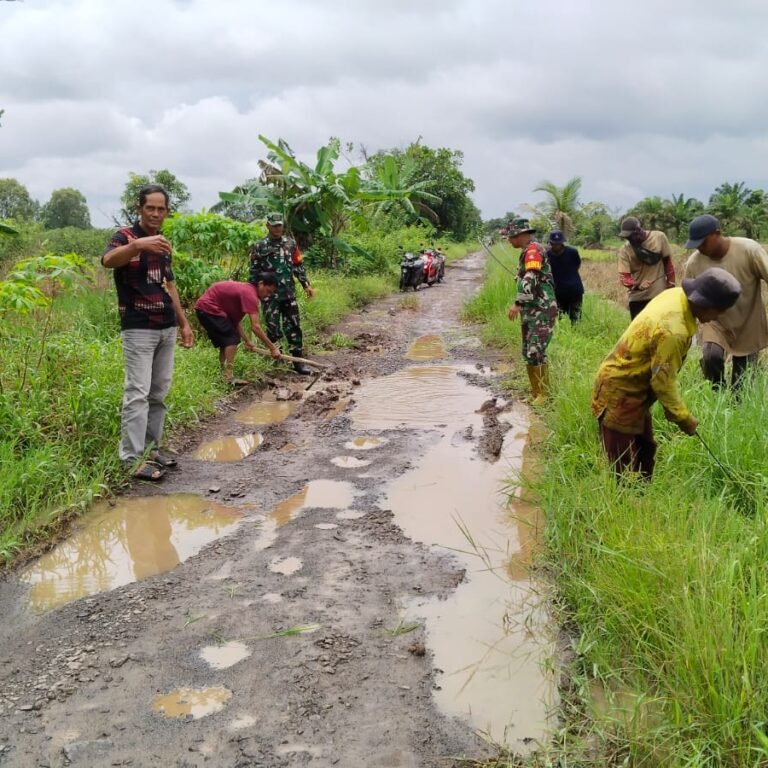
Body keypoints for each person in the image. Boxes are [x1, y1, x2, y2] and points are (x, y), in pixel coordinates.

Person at [591, 268, 741, 479]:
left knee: (645, 451)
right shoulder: (673, 331)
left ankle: (642, 501)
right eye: (719, 311)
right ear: (705, 304)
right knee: (622, 463)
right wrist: (683, 418)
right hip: (620, 390)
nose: (719, 317)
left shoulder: (676, 295)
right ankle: (622, 505)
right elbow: (662, 382)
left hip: (637, 389)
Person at [102, 185, 194, 481]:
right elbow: (108, 261)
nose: (155, 213)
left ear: (167, 211)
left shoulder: (164, 244)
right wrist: (139, 246)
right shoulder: (124, 237)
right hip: (138, 326)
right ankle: (131, 459)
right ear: (139, 208)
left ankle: (152, 450)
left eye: (161, 208)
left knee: (158, 393)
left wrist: (184, 323)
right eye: (150, 208)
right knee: (137, 393)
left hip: (165, 325)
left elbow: (170, 286)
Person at [683, 214, 768, 390]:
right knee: (710, 356)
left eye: (702, 242)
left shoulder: (749, 250)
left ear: (717, 233)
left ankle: (735, 409)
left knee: (743, 383)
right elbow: (688, 298)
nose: (699, 248)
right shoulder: (694, 263)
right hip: (715, 322)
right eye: (695, 244)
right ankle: (717, 394)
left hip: (748, 321)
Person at [249, 212, 314, 375]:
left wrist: (306, 285)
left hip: (288, 293)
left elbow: (298, 265)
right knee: (273, 329)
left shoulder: (290, 244)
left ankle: (297, 363)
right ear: (267, 226)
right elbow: (254, 271)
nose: (277, 228)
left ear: (282, 226)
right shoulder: (260, 246)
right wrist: (252, 293)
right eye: (274, 225)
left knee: (293, 327)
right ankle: (277, 360)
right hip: (269, 296)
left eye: (279, 225)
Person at [195, 272, 282, 385]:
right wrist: (272, 348)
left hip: (205, 309)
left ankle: (223, 374)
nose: (268, 295)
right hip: (209, 308)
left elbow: (235, 322)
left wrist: (247, 341)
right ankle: (228, 376)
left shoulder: (247, 291)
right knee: (232, 339)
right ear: (261, 284)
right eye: (268, 291)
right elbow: (255, 327)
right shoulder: (250, 295)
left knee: (226, 341)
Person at [505, 218, 558, 404]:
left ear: (519, 235)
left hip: (541, 310)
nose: (509, 241)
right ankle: (536, 393)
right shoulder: (527, 251)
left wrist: (518, 303)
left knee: (536, 351)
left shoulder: (533, 251)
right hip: (532, 310)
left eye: (510, 237)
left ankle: (544, 395)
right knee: (528, 351)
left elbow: (531, 277)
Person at [617, 216, 676, 319]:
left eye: (631, 236)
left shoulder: (659, 237)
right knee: (640, 333)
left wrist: (670, 286)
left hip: (659, 296)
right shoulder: (625, 250)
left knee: (661, 331)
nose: (629, 239)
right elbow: (624, 277)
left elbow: (668, 264)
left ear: (638, 230)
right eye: (627, 238)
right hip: (638, 299)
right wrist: (638, 285)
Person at [547, 230, 584, 321]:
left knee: (575, 317)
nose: (556, 246)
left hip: (574, 290)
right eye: (553, 244)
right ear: (550, 243)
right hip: (557, 291)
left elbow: (577, 264)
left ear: (562, 242)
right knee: (558, 318)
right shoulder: (547, 254)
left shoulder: (572, 252)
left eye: (558, 243)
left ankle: (576, 333)